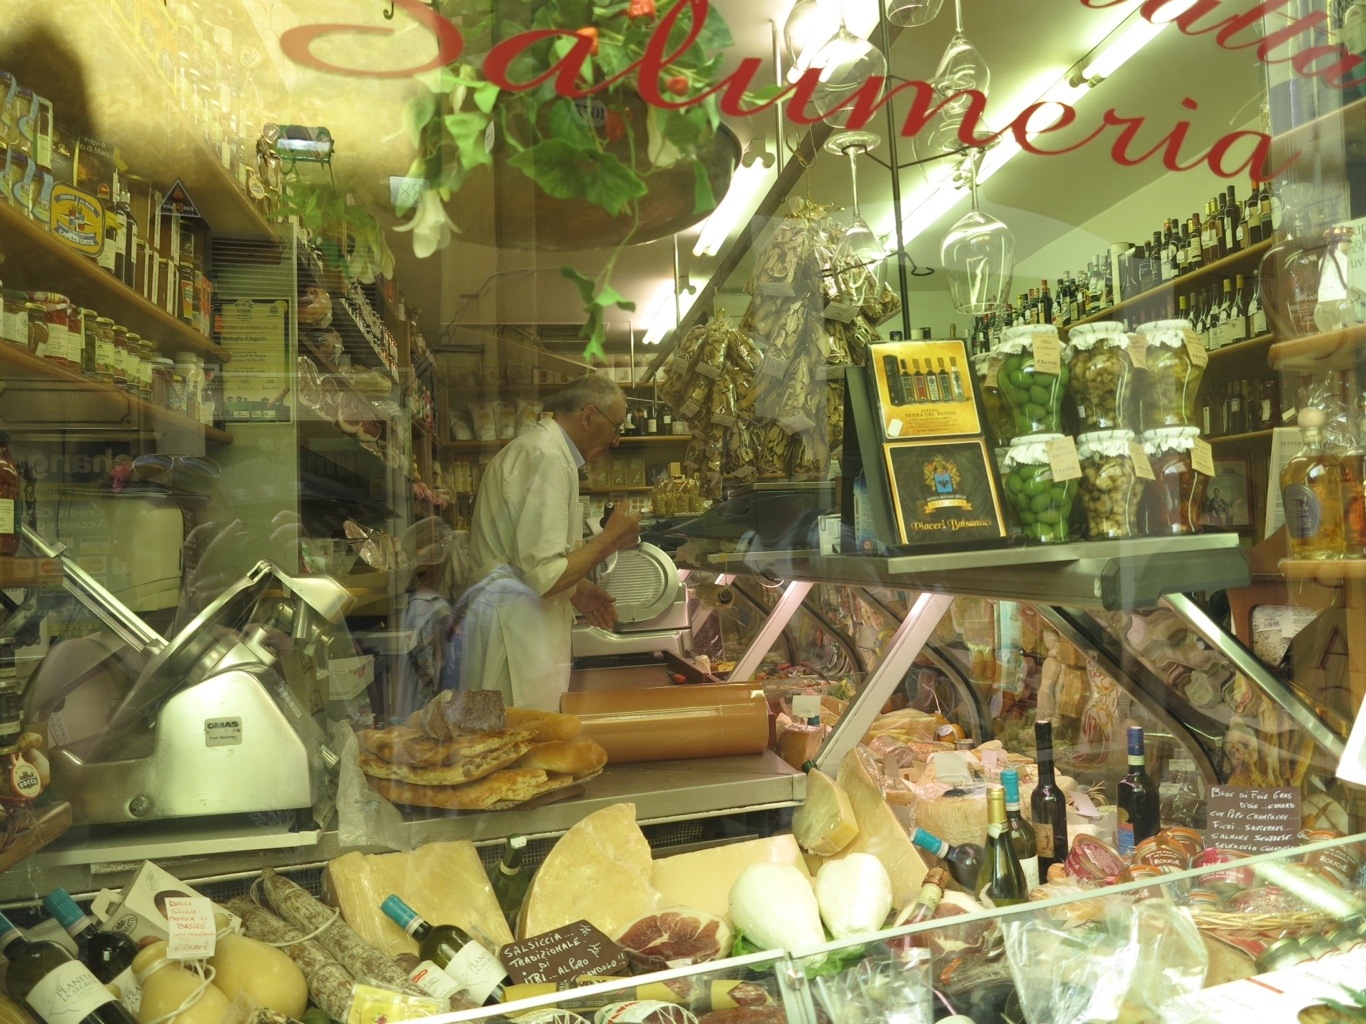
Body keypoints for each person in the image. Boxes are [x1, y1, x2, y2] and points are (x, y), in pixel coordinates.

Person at [459, 374, 641, 709]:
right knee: (520, 738)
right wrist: (609, 540)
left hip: (517, 631)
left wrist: (577, 590)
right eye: (616, 427)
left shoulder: (546, 452)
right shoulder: (547, 456)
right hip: (516, 641)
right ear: (588, 417)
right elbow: (544, 576)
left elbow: (526, 562)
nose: (616, 440)